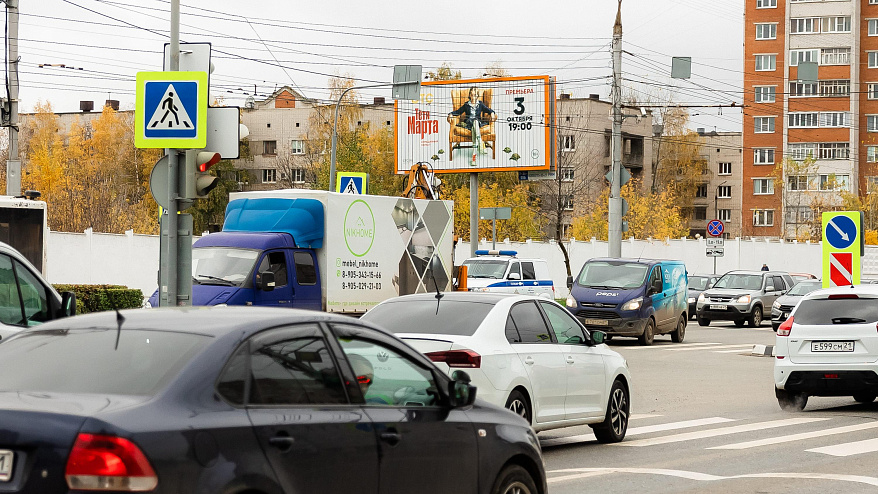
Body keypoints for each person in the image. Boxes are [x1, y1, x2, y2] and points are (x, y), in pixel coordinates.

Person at [448, 87, 495, 156]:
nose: (473, 97)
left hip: (477, 123)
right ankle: (480, 143)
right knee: (474, 122)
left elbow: (489, 110)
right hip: (469, 122)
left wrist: (492, 113)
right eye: (472, 95)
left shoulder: (480, 104)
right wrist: (451, 114)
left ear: (477, 96)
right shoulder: (466, 105)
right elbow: (458, 112)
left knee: (475, 124)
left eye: (475, 95)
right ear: (470, 95)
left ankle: (474, 154)